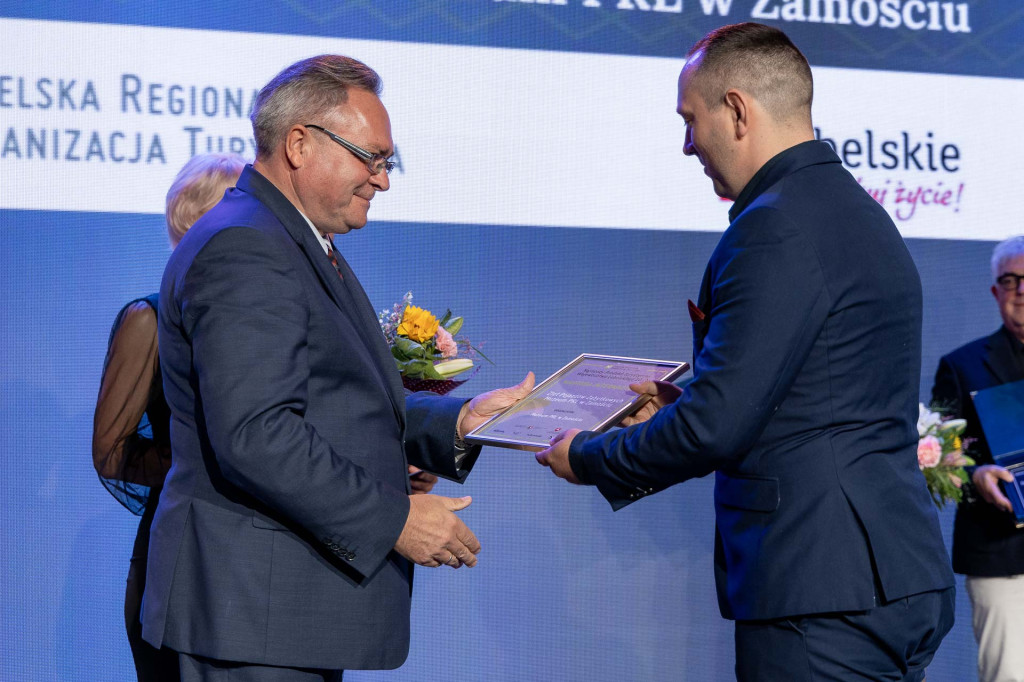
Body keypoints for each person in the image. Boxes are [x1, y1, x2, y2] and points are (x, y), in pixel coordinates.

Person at [536, 22, 954, 680]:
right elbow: (813, 396)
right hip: (889, 576)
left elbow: (716, 427)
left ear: (735, 109)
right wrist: (685, 405)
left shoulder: (775, 227)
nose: (685, 145)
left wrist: (587, 456)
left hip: (821, 591)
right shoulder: (856, 212)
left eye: (689, 119)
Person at [142, 55, 533, 681]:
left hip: (281, 616)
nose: (382, 180)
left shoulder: (295, 240)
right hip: (255, 616)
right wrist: (394, 518)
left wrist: (458, 423)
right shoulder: (247, 246)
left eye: (387, 161)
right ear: (299, 144)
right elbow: (258, 435)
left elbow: (337, 403)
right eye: (370, 158)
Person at [93, 152, 247, 682]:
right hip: (181, 562)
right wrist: (213, 460)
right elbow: (112, 453)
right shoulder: (149, 319)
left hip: (258, 571)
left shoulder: (262, 324)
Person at [931, 235, 1024, 682]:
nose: (1022, 290)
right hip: (1001, 555)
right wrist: (976, 475)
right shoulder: (962, 365)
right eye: (1010, 280)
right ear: (995, 292)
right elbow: (938, 457)